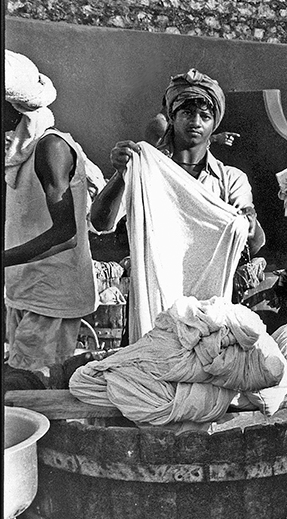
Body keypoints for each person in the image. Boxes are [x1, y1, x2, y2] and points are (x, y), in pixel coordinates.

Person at [89, 68, 265, 341]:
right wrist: (120, 175)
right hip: (151, 304)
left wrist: (248, 224)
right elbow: (100, 223)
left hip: (208, 313)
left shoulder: (230, 180)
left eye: (205, 116)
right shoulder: (146, 173)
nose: (196, 122)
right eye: (187, 114)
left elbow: (254, 242)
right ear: (173, 117)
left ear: (214, 124)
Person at [4, 50, 98, 371]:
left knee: (35, 388)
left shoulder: (50, 148)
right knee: (20, 383)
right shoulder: (20, 151)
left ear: (15, 106)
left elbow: (66, 234)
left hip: (50, 299)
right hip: (24, 289)